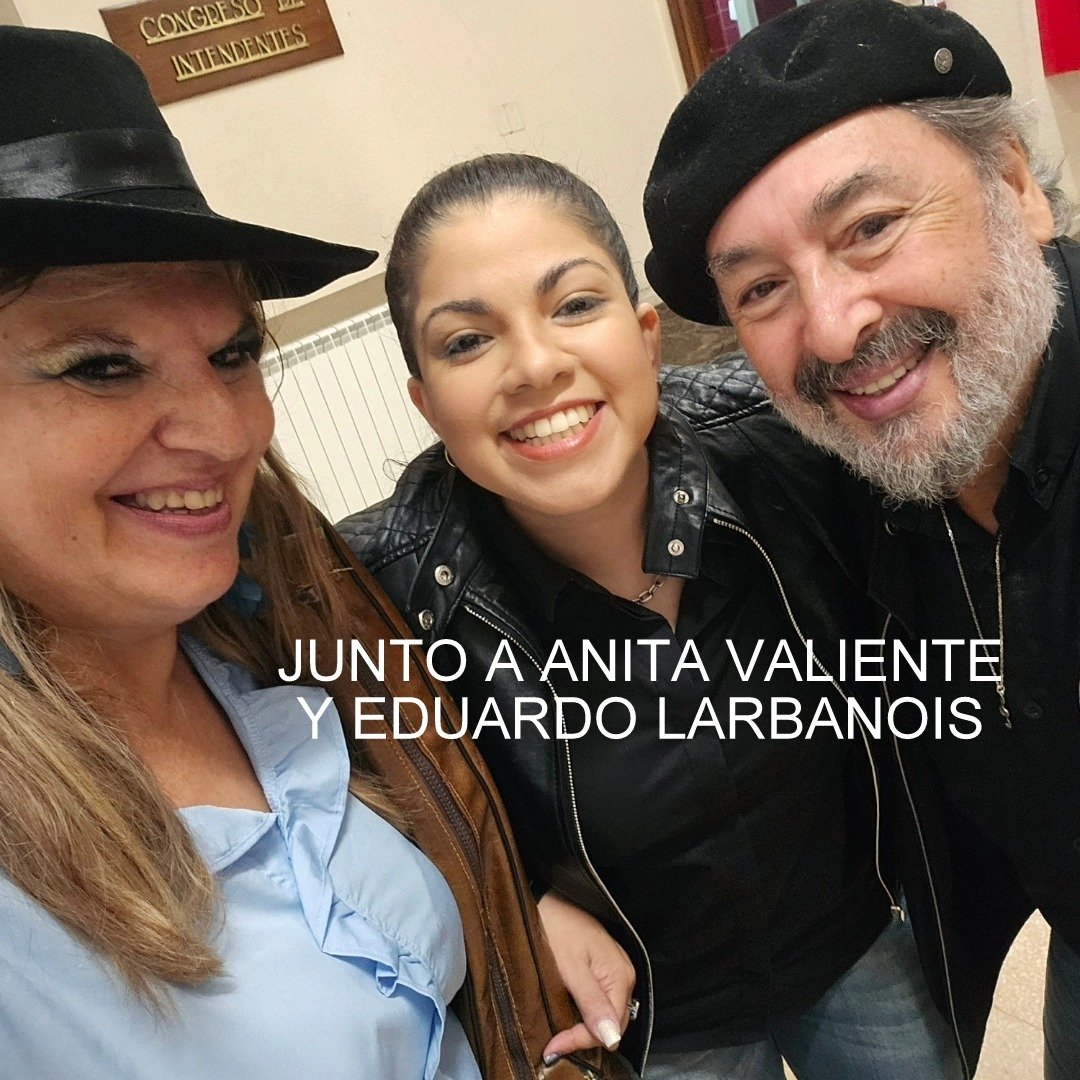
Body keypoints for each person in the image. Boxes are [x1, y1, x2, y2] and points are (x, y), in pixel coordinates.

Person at [0, 27, 594, 1080]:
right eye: (101, 365)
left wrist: (531, 909)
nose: (228, 431)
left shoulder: (282, 630)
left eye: (233, 353)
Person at [340, 152, 964, 1080]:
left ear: (645, 337)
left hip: (857, 941)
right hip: (655, 1026)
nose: (536, 365)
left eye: (574, 305)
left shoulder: (786, 441)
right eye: (467, 342)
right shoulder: (385, 590)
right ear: (428, 405)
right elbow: (344, 806)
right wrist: (511, 905)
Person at [642, 1, 1079, 1077]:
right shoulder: (841, 474)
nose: (836, 328)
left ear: (1016, 187)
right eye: (763, 289)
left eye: (871, 227)